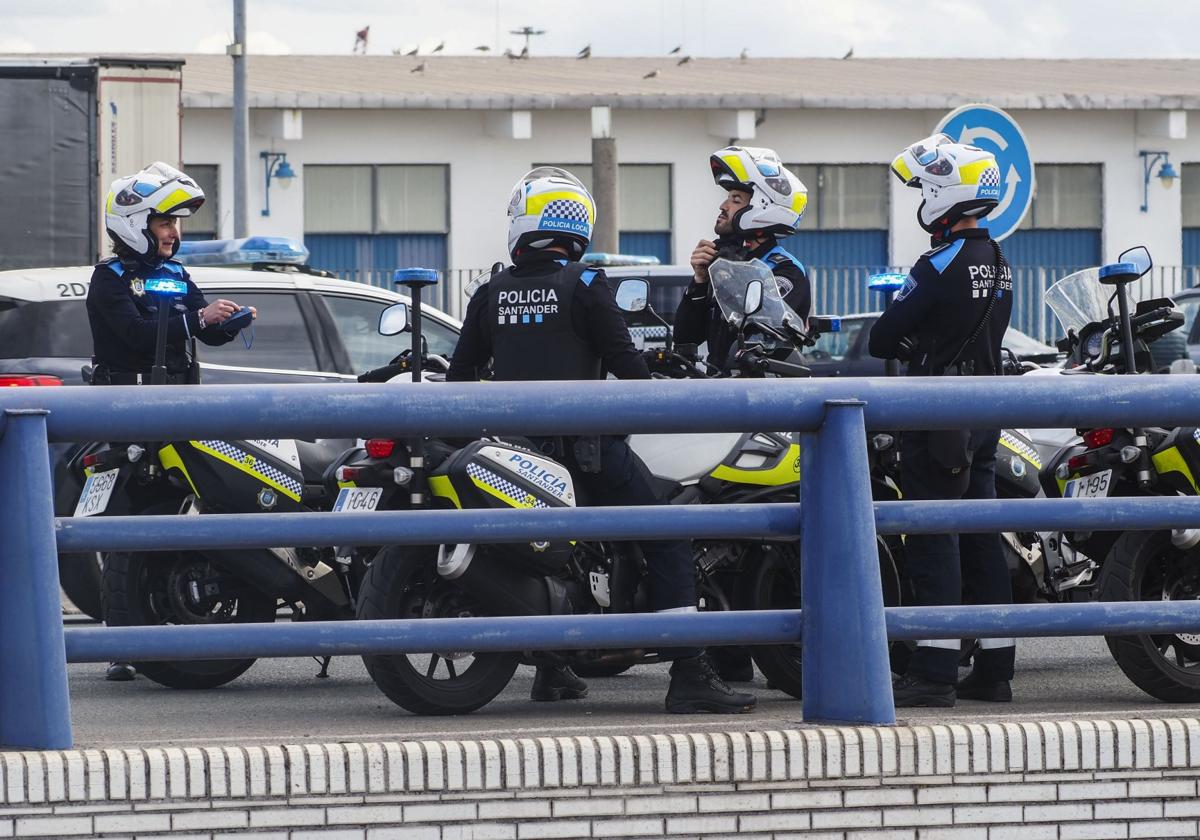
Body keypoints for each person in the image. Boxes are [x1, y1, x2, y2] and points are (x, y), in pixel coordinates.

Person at [447, 166, 756, 714]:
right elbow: (629, 372)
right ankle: (689, 670)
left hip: (515, 453)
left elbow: (460, 376)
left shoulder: (491, 291)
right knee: (667, 531)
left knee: (552, 557)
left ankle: (555, 672)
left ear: (522, 222)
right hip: (584, 450)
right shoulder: (587, 284)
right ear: (578, 226)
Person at [88, 161, 254, 681]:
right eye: (165, 223)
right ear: (135, 223)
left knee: (190, 508)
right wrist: (194, 319)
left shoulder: (178, 275)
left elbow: (200, 330)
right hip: (129, 416)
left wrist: (227, 323)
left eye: (178, 224)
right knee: (126, 526)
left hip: (181, 412)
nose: (174, 234)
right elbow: (137, 336)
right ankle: (121, 644)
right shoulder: (108, 279)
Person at [867, 133, 1016, 708]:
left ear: (944, 195)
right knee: (981, 537)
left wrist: (910, 335)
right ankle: (996, 668)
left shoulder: (939, 262)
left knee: (934, 539)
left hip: (939, 418)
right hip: (985, 413)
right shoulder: (1000, 260)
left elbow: (883, 335)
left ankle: (933, 669)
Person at [675, 147, 812, 372]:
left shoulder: (786, 269)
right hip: (719, 385)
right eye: (727, 198)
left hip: (766, 390)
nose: (723, 206)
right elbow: (685, 338)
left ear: (762, 209)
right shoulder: (721, 261)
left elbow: (759, 330)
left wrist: (725, 277)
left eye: (735, 199)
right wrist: (699, 282)